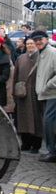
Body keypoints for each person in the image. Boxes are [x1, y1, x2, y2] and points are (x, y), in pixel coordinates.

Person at [13, 37, 44, 154]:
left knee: (36, 120)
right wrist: (14, 92)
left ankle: (36, 144)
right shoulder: (21, 58)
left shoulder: (40, 58)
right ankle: (25, 143)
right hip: (23, 93)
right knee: (23, 119)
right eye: (28, 44)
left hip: (35, 93)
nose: (30, 46)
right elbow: (15, 76)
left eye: (32, 44)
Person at [32, 30, 56, 163]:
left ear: (46, 39)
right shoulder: (41, 53)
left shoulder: (52, 53)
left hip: (52, 93)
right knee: (49, 122)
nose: (38, 42)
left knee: (49, 122)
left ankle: (52, 151)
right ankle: (51, 150)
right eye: (36, 40)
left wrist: (49, 85)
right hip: (45, 94)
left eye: (40, 39)